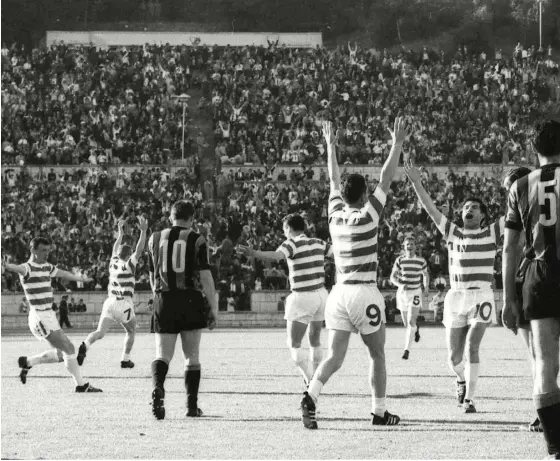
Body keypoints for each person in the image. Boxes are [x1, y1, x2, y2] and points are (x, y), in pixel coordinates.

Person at [300, 118, 407, 430]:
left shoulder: (334, 217)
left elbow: (333, 181)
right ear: (362, 196)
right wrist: (397, 144)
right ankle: (379, 411)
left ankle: (311, 394)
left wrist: (330, 147)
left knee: (335, 356)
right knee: (377, 355)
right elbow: (386, 180)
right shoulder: (367, 216)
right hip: (363, 290)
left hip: (338, 294)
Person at [404, 159, 503, 414]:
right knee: (454, 358)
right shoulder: (452, 232)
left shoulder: (492, 232)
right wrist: (416, 181)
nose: (469, 209)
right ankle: (460, 379)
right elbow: (429, 208)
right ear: (462, 214)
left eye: (474, 207)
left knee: (472, 346)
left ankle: (469, 399)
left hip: (481, 295)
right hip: (456, 297)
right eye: (466, 206)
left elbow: (515, 212)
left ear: (482, 215)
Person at [502, 117, 560, 458]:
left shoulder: (520, 185)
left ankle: (554, 446)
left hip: (539, 275)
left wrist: (509, 299)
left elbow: (510, 247)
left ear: (534, 150)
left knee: (544, 364)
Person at [237, 213, 332, 388]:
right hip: (321, 294)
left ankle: (311, 380)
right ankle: (316, 376)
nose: (284, 233)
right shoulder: (319, 242)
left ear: (288, 228)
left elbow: (276, 256)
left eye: (284, 230)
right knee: (315, 339)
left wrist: (253, 253)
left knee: (294, 343)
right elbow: (337, 255)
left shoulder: (291, 244)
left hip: (303, 295)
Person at [147, 200, 218, 420]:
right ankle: (191, 406)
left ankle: (158, 387)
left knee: (162, 355)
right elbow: (206, 277)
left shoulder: (154, 238)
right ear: (192, 218)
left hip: (164, 299)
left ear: (171, 216)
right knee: (192, 356)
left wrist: (158, 296)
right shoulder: (197, 239)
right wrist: (214, 309)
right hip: (190, 299)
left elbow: (152, 275)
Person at [1, 238, 102, 393]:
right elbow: (15, 268)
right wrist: (5, 265)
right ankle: (80, 385)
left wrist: (81, 279)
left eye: (48, 250)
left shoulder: (47, 267)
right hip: (40, 317)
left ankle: (28, 362)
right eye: (43, 250)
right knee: (69, 348)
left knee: (62, 354)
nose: (46, 253)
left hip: (50, 315)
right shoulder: (27, 268)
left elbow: (63, 273)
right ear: (33, 250)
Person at [77, 216, 148, 369]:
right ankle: (125, 359)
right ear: (128, 255)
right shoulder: (129, 265)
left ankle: (85, 344)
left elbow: (115, 248)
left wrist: (120, 232)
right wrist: (143, 231)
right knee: (131, 330)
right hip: (123, 303)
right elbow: (140, 249)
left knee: (99, 332)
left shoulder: (113, 262)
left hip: (109, 302)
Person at [502, 166, 543, 433]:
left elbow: (510, 248)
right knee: (538, 355)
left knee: (537, 355)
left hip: (530, 283)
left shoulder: (517, 216)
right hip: (536, 280)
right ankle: (543, 412)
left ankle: (544, 413)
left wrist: (508, 299)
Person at [390, 237, 429, 360]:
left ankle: (406, 350)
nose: (410, 246)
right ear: (404, 246)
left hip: (415, 293)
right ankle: (416, 329)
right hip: (402, 294)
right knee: (407, 324)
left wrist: (426, 287)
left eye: (412, 244)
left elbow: (425, 274)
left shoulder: (421, 261)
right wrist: (399, 284)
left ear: (415, 246)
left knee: (411, 321)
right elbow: (392, 277)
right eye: (407, 244)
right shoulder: (399, 260)